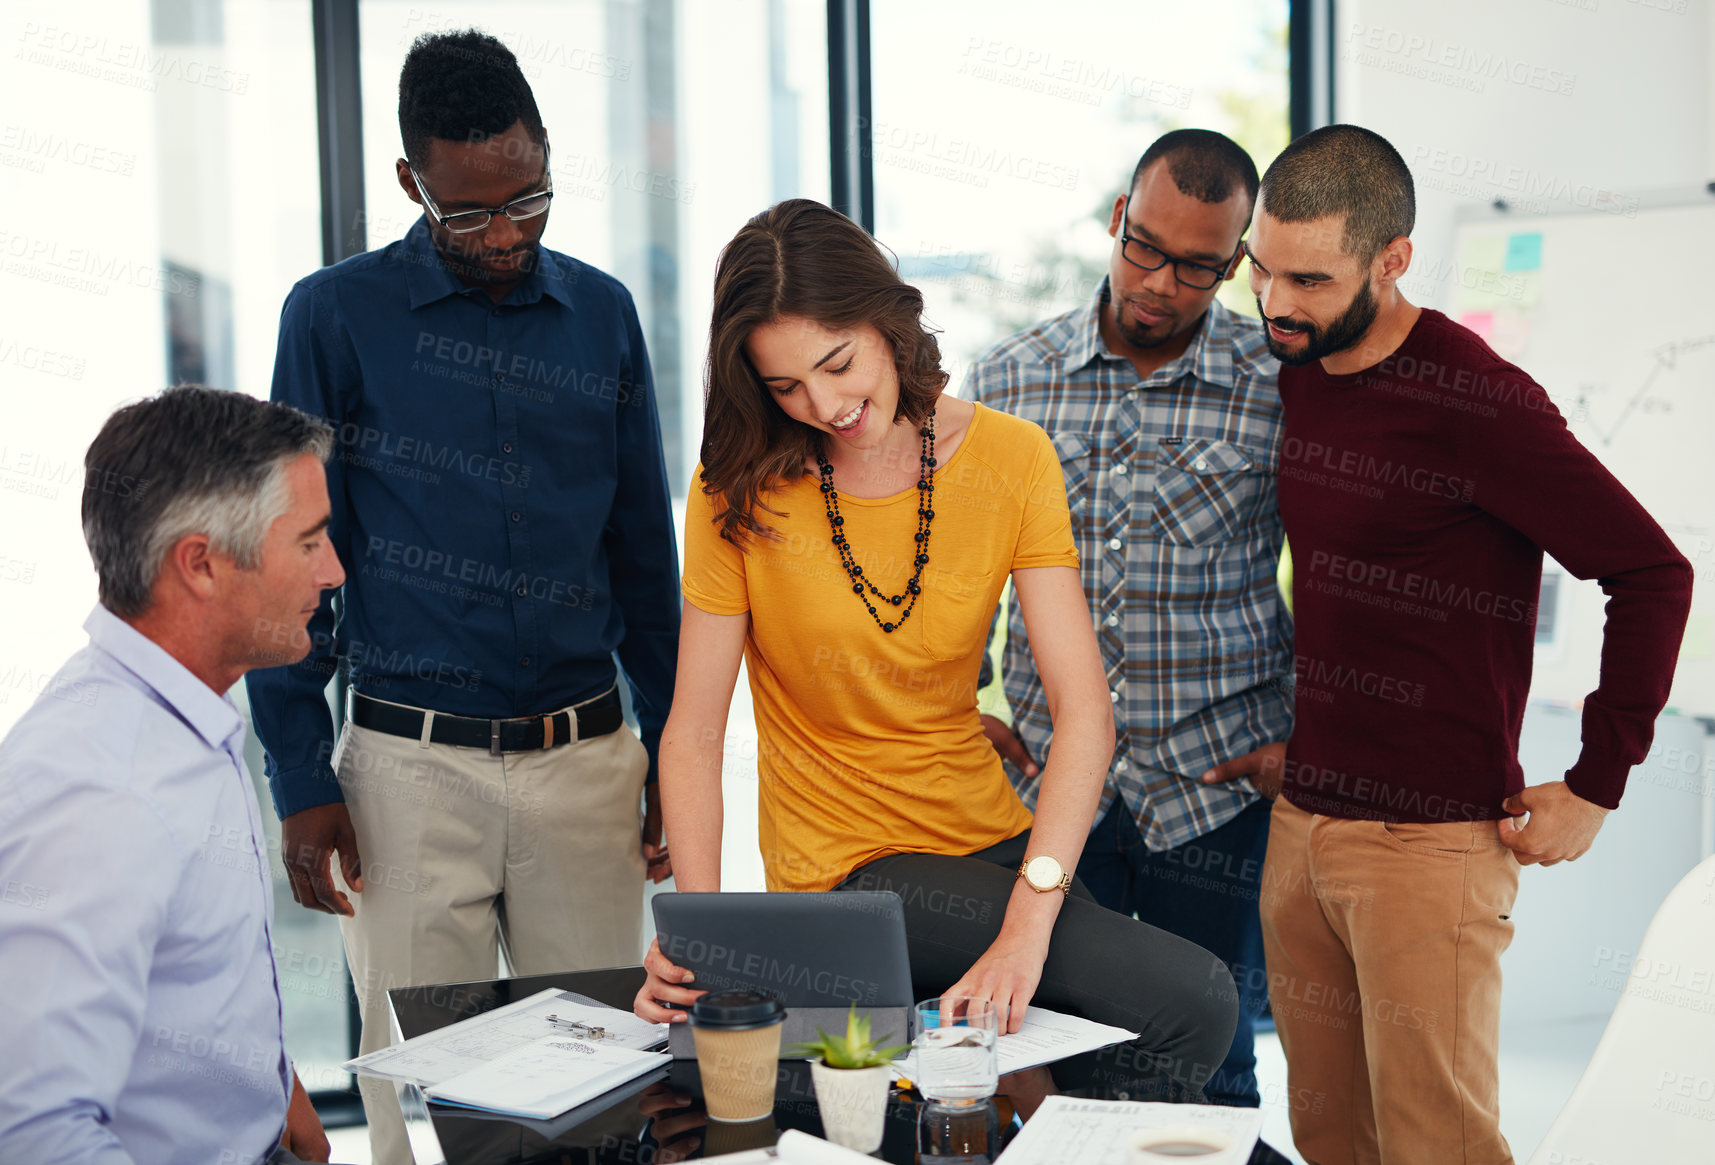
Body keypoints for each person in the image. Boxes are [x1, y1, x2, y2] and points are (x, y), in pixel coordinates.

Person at [632, 198, 1238, 1094]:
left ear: (887, 320)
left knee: (1135, 1040)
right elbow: (689, 732)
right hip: (847, 868)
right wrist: (704, 938)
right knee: (1196, 998)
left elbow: (1084, 712)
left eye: (837, 364)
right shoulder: (736, 488)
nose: (825, 405)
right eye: (786, 387)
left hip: (990, 839)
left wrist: (1030, 922)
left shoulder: (1010, 458)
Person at [245, 30, 680, 1164]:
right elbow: (288, 553)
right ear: (410, 184)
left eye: (529, 200)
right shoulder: (331, 316)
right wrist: (298, 776)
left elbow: (643, 554)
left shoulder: (604, 313)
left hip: (584, 764)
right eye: (470, 214)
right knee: (416, 1115)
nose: (506, 236)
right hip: (405, 775)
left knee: (593, 1095)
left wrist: (671, 755)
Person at [1245, 124, 1693, 1164]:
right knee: (1326, 1140)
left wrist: (1596, 779)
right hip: (1303, 829)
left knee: (1435, 1148)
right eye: (1260, 270)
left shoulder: (1475, 400)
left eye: (1307, 279)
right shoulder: (1299, 365)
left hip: (1428, 850)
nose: (1275, 302)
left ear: (1391, 259)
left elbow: (1650, 573)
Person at [968, 128, 1291, 1107]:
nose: (1158, 282)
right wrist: (953, 710)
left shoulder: (1276, 389)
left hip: (1213, 787)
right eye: (1143, 247)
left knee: (1213, 1062)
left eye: (1197, 266)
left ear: (1235, 264)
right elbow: (954, 569)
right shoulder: (1007, 380)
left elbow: (1331, 564)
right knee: (1059, 1062)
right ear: (1116, 219)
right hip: (1049, 785)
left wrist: (1308, 730)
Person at [0, 386, 338, 1164]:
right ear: (202, 565)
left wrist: (273, 1087)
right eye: (310, 541)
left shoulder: (178, 712)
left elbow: (188, 971)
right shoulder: (102, 794)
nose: (335, 571)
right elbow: (34, 1134)